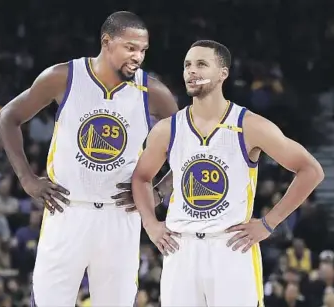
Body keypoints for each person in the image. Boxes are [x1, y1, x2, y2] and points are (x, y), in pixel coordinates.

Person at [0, 11, 178, 307]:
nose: (138, 56)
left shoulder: (154, 92)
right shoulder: (63, 77)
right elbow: (8, 117)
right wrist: (27, 179)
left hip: (120, 215)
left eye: (143, 50)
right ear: (106, 42)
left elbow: (192, 149)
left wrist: (158, 192)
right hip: (67, 209)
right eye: (130, 48)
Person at [131, 40, 324, 307]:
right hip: (180, 248)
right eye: (187, 65)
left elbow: (311, 170)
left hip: (231, 248)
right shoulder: (167, 129)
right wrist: (151, 225)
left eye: (201, 64)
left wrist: (269, 223)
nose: (191, 71)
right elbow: (141, 178)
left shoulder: (249, 125)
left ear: (223, 73)